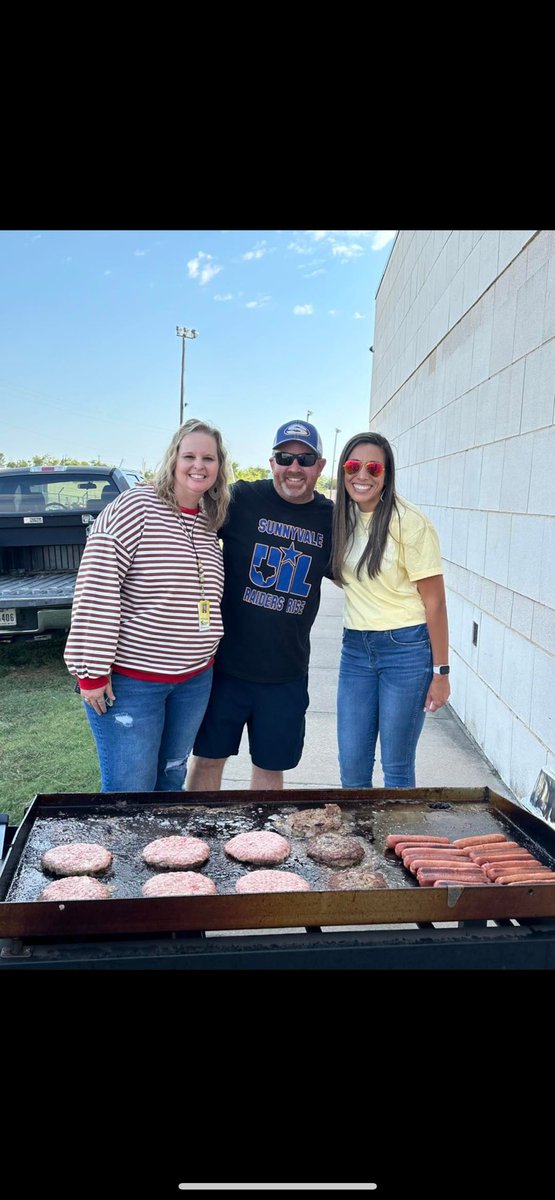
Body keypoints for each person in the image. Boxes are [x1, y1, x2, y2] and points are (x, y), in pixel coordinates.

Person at [63, 418, 230, 792]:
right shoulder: (136, 506)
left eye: (209, 457)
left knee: (170, 779)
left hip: (193, 680)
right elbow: (97, 585)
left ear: (220, 467)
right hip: (133, 683)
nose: (198, 465)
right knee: (130, 792)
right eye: (189, 455)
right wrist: (90, 670)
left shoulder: (207, 519)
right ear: (173, 459)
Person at [186, 419, 333, 791]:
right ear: (272, 462)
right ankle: (198, 840)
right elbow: (183, 521)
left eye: (305, 459)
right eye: (285, 458)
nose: (294, 468)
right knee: (207, 762)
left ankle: (259, 847)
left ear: (320, 466)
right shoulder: (241, 499)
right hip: (225, 669)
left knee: (270, 770)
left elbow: (363, 571)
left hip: (286, 673)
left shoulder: (333, 520)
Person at [332, 431, 450, 789]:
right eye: (353, 466)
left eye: (373, 468)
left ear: (387, 473)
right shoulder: (342, 518)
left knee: (396, 766)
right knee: (352, 765)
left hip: (406, 650)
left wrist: (441, 672)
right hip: (355, 649)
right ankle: (359, 842)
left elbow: (436, 602)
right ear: (343, 471)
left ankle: (401, 846)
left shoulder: (409, 523)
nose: (362, 475)